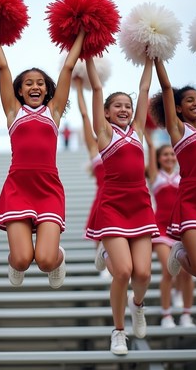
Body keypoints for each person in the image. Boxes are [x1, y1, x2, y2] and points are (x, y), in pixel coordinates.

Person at [0, 18, 86, 289]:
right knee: (20, 260)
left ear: (47, 89)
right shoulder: (13, 112)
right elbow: (3, 66)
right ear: (19, 90)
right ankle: (16, 262)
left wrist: (82, 34)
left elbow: (67, 67)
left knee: (44, 260)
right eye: (28, 83)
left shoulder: (53, 113)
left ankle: (59, 257)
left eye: (40, 83)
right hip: (18, 188)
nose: (35, 87)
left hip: (48, 189)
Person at [151, 57, 196, 353]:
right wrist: (157, 59)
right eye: (189, 101)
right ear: (179, 109)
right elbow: (167, 88)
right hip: (191, 201)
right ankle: (180, 252)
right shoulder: (178, 132)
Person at [86, 55, 158, 355]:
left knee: (143, 275)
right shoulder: (104, 134)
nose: (125, 109)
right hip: (113, 206)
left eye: (127, 106)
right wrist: (89, 55)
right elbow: (97, 88)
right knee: (124, 272)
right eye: (118, 106)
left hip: (139, 205)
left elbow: (143, 91)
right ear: (106, 113)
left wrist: (150, 59)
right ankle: (118, 331)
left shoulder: (138, 132)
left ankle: (137, 305)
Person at [145, 132, 195, 328]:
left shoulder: (183, 175)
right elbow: (150, 148)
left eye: (172, 154)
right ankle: (166, 315)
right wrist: (149, 141)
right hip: (161, 230)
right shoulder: (156, 176)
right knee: (169, 270)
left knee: (187, 273)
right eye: (165, 154)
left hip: (181, 229)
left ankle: (186, 315)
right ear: (158, 159)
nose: (169, 157)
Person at [74, 76, 108, 279]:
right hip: (103, 193)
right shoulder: (94, 148)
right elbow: (86, 114)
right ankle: (102, 256)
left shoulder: (120, 142)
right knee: (100, 229)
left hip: (123, 193)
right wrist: (78, 88)